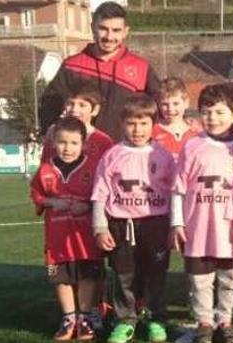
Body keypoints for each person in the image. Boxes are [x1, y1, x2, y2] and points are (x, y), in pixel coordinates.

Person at [170, 84, 233, 343]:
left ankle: (225, 321)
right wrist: (177, 223)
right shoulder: (192, 146)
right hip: (198, 228)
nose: (213, 118)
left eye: (219, 112)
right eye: (206, 112)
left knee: (229, 279)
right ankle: (204, 322)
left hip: (228, 231)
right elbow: (178, 188)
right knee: (200, 281)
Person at [91, 95, 176, 343]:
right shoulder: (112, 155)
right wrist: (100, 227)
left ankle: (155, 319)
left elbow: (175, 193)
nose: (137, 130)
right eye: (131, 123)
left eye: (143, 123)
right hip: (121, 225)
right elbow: (100, 193)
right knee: (123, 275)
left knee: (155, 275)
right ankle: (125, 320)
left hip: (156, 224)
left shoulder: (163, 156)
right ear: (122, 124)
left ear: (153, 124)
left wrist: (174, 225)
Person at [39, 2, 160, 141]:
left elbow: (161, 105)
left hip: (125, 150)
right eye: (103, 28)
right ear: (92, 27)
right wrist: (49, 132)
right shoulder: (73, 65)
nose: (109, 37)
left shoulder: (141, 67)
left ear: (125, 31)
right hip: (82, 152)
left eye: (116, 30)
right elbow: (49, 105)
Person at [30, 116, 103, 341]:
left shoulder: (93, 167)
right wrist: (52, 202)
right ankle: (69, 318)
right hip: (58, 238)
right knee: (60, 278)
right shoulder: (44, 170)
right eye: (62, 142)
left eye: (73, 143)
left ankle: (85, 317)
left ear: (83, 143)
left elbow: (103, 194)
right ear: (54, 143)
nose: (67, 148)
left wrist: (87, 205)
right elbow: (36, 194)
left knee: (87, 277)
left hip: (85, 238)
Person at [40, 82, 114, 165]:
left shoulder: (102, 141)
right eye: (70, 104)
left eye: (82, 105)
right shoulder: (53, 132)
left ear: (95, 110)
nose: (74, 109)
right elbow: (45, 163)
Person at [152, 77, 201, 159]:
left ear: (186, 103)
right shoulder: (152, 131)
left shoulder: (197, 131)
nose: (170, 109)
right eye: (165, 104)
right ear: (159, 105)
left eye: (176, 103)